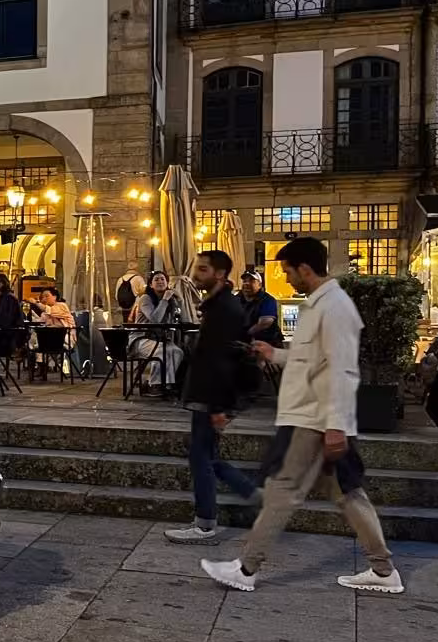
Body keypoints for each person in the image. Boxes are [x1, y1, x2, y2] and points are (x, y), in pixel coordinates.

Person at [201, 237, 402, 595]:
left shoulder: (334, 307)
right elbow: (315, 358)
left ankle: (246, 569)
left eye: (289, 271)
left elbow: (342, 370)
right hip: (317, 417)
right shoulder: (321, 305)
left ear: (305, 268)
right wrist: (275, 354)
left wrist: (336, 427)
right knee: (348, 495)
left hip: (314, 418)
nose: (288, 278)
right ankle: (384, 571)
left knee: (283, 491)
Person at [166, 251, 260, 544]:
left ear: (219, 274)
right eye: (197, 268)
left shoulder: (224, 310)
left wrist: (219, 406)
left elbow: (222, 361)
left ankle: (205, 522)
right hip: (206, 394)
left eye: (202, 269)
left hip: (209, 397)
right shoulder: (217, 306)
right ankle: (252, 493)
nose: (196, 274)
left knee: (201, 458)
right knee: (206, 456)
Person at [128, 271, 183, 388]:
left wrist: (179, 300)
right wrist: (165, 300)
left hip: (159, 339)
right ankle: (155, 384)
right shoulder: (145, 299)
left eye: (163, 279)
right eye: (156, 279)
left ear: (167, 283)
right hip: (141, 339)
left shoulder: (169, 301)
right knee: (163, 352)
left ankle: (167, 384)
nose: (160, 282)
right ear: (151, 285)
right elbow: (155, 320)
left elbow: (176, 318)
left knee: (178, 352)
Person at [240, 269, 284, 347]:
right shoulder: (238, 298)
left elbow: (265, 323)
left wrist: (244, 334)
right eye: (244, 281)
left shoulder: (267, 299)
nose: (247, 283)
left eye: (251, 281)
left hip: (268, 345)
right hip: (246, 345)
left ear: (259, 285)